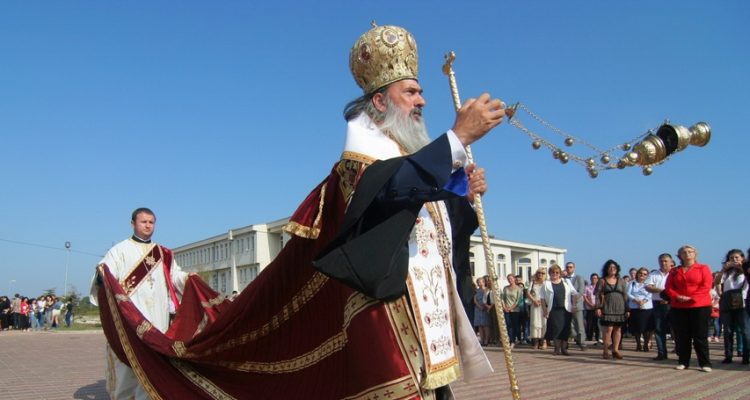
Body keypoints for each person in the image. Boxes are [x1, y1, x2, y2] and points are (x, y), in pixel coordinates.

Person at [90, 207, 190, 399]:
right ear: (133, 224)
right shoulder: (119, 251)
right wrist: (101, 276)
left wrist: (188, 279)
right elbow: (105, 275)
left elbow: (175, 276)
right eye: (143, 222)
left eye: (151, 222)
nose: (148, 225)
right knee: (127, 364)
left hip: (157, 321)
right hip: (129, 320)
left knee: (154, 366)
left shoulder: (163, 253)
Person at [664, 245, 713, 372]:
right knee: (682, 335)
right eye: (684, 252)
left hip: (699, 305)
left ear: (695, 254)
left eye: (690, 252)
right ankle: (683, 362)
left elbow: (706, 285)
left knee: (700, 336)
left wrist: (691, 297)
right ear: (679, 256)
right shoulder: (674, 271)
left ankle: (705, 363)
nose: (687, 254)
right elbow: (668, 287)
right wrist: (677, 296)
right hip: (679, 306)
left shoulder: (703, 268)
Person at [717, 249, 747, 364]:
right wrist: (723, 270)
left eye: (736, 257)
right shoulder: (727, 272)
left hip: (742, 301)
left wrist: (742, 268)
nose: (734, 260)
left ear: (742, 258)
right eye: (731, 258)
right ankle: (728, 355)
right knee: (728, 330)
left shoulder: (745, 269)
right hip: (727, 300)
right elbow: (716, 282)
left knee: (744, 330)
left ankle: (745, 355)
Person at [541, 264, 579, 355]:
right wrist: (545, 310)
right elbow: (542, 298)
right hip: (553, 309)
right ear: (549, 273)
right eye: (553, 272)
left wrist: (574, 305)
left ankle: (564, 349)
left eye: (557, 272)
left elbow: (574, 293)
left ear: (560, 273)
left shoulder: (566, 281)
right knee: (556, 329)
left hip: (565, 309)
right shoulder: (546, 284)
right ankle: (557, 348)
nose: (555, 274)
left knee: (565, 329)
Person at [596, 259, 629, 360]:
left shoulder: (621, 281)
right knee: (608, 329)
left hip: (620, 307)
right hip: (607, 307)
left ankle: (615, 350)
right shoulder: (602, 281)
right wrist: (598, 307)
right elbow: (597, 295)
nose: (612, 269)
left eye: (614, 267)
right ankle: (605, 350)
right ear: (606, 269)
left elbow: (625, 295)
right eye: (610, 267)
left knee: (618, 329)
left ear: (617, 269)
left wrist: (627, 309)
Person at [645, 253, 675, 360]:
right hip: (658, 304)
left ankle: (680, 351)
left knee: (676, 328)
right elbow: (648, 287)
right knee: (659, 329)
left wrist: (668, 295)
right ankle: (662, 353)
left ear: (671, 262)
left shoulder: (675, 273)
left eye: (665, 261)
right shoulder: (654, 274)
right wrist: (663, 291)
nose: (663, 263)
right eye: (661, 261)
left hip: (673, 304)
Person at [627, 267, 654, 352]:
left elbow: (650, 294)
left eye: (645, 274)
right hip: (635, 306)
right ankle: (638, 344)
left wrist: (643, 301)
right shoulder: (632, 283)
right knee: (636, 327)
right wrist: (635, 300)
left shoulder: (649, 283)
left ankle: (646, 344)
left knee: (647, 328)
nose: (642, 275)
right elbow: (628, 293)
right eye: (640, 273)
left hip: (647, 307)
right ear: (637, 274)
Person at [564, 262, 587, 350]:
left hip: (577, 304)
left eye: (570, 267)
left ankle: (582, 343)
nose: (569, 268)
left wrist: (574, 300)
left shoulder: (579, 278)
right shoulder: (563, 279)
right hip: (566, 305)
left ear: (574, 268)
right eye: (567, 267)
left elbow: (581, 291)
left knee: (579, 325)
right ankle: (572, 339)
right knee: (568, 325)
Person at [527, 267, 548, 349]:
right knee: (535, 322)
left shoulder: (546, 283)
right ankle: (535, 342)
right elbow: (528, 292)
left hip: (543, 305)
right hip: (535, 304)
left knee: (543, 322)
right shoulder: (532, 282)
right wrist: (534, 300)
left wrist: (543, 302)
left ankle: (543, 342)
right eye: (539, 273)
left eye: (542, 273)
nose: (540, 274)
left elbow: (549, 294)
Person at [502, 273, 523, 347]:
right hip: (506, 309)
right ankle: (510, 340)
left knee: (514, 326)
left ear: (514, 279)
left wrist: (511, 308)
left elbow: (518, 300)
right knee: (508, 325)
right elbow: (503, 298)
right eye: (508, 279)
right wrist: (504, 307)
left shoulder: (518, 289)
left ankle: (514, 340)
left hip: (515, 310)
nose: (510, 280)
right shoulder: (505, 288)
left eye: (511, 278)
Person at [474, 277, 491, 346]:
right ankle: (482, 340)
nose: (480, 283)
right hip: (478, 308)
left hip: (486, 308)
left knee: (486, 325)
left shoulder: (487, 290)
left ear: (484, 282)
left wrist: (485, 306)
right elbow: (475, 299)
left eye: (481, 282)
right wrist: (479, 306)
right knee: (480, 325)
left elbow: (489, 299)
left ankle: (486, 340)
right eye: (478, 282)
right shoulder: (476, 290)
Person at [583, 273, 600, 344]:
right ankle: (589, 337)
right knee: (589, 323)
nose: (594, 279)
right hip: (589, 308)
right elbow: (585, 296)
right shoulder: (587, 287)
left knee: (598, 324)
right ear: (590, 279)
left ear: (598, 279)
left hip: (598, 308)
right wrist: (590, 304)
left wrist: (598, 306)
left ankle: (598, 337)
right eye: (593, 278)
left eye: (595, 278)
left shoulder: (600, 287)